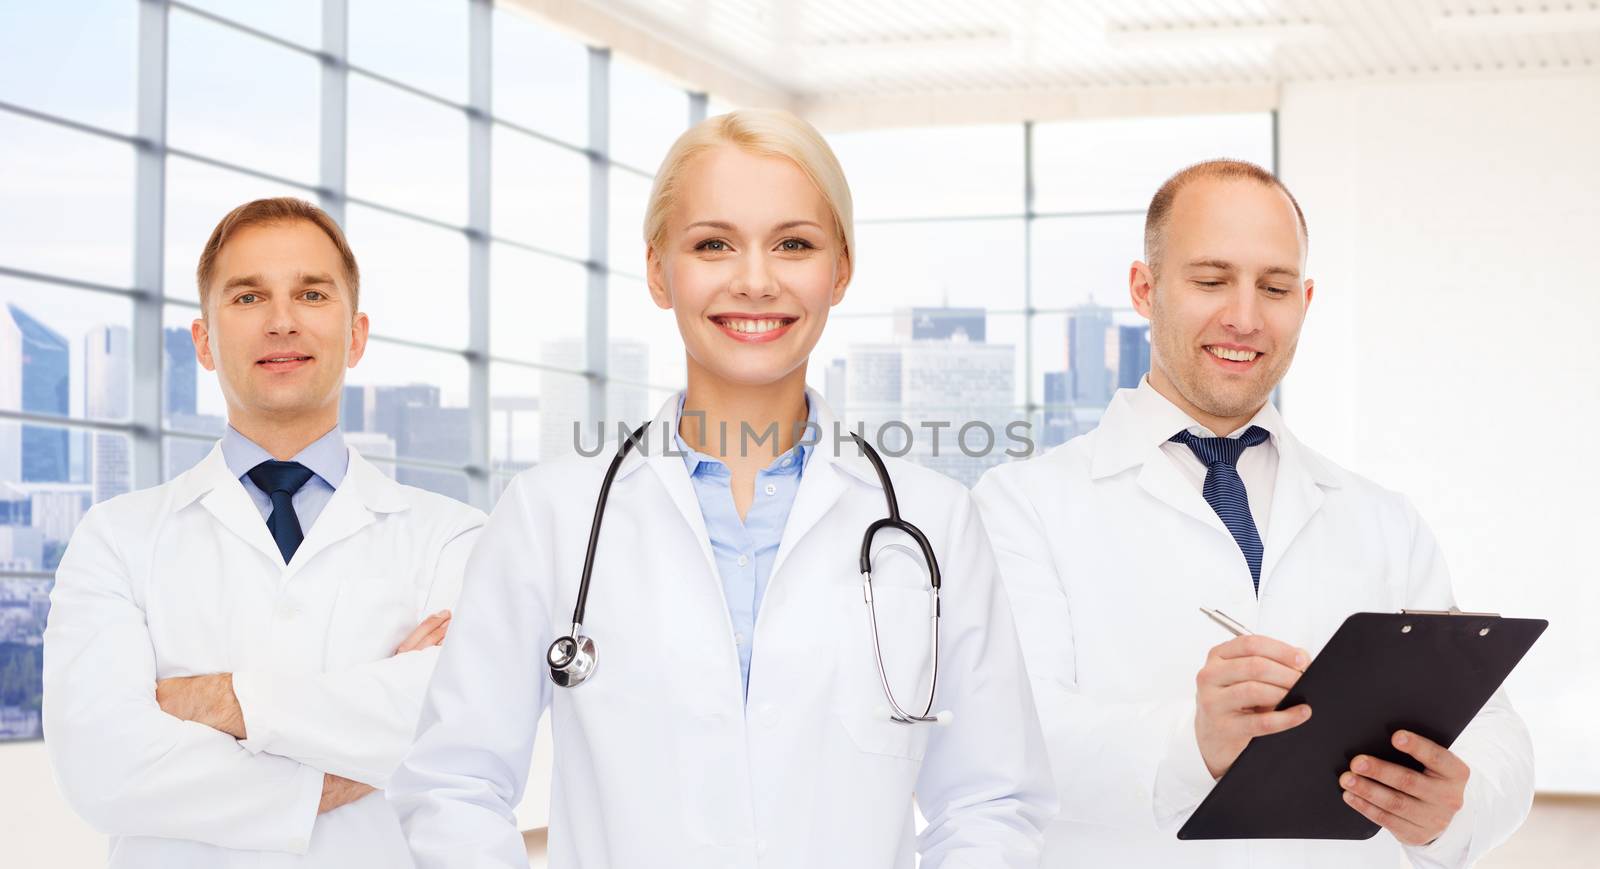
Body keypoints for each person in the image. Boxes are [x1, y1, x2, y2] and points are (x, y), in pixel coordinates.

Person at [389, 109, 1055, 868]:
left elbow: (992, 799)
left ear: (840, 268)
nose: (755, 280)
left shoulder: (934, 521)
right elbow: (454, 781)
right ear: (657, 270)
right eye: (713, 244)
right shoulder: (552, 515)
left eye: (793, 244)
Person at [972, 159, 1534, 868]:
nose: (1244, 316)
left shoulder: (1382, 520)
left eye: (1273, 288)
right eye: (1210, 280)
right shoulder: (1023, 506)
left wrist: (1454, 808)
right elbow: (1008, 743)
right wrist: (1195, 743)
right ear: (1145, 289)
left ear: (1305, 299)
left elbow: (1497, 733)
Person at [44, 198, 486, 868]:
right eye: (249, 296)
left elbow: (461, 723)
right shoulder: (116, 539)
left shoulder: (454, 537)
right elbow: (102, 767)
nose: (282, 321)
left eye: (311, 293)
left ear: (357, 334)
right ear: (203, 341)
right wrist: (364, 749)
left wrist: (219, 698)